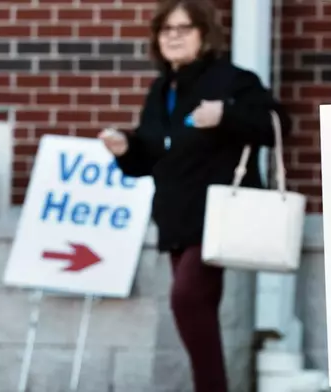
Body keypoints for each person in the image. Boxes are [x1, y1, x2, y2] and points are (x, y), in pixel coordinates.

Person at [97, 0, 291, 391]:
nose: (174, 37)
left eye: (184, 29)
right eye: (166, 30)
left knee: (186, 298)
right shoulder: (161, 89)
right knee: (197, 309)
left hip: (217, 214)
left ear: (203, 35)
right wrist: (125, 149)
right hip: (175, 217)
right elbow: (151, 156)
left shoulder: (231, 80)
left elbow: (278, 125)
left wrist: (226, 115)